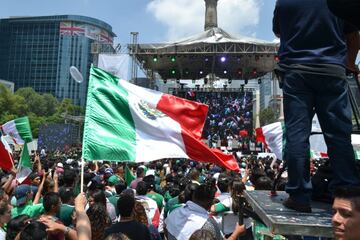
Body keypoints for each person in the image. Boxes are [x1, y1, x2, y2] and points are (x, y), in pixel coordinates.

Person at [273, 0, 360, 212]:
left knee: (297, 135)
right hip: (332, 71)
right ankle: (347, 195)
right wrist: (349, 62)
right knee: (339, 136)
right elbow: (354, 34)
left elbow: (278, 31)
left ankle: (299, 195)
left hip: (296, 71)